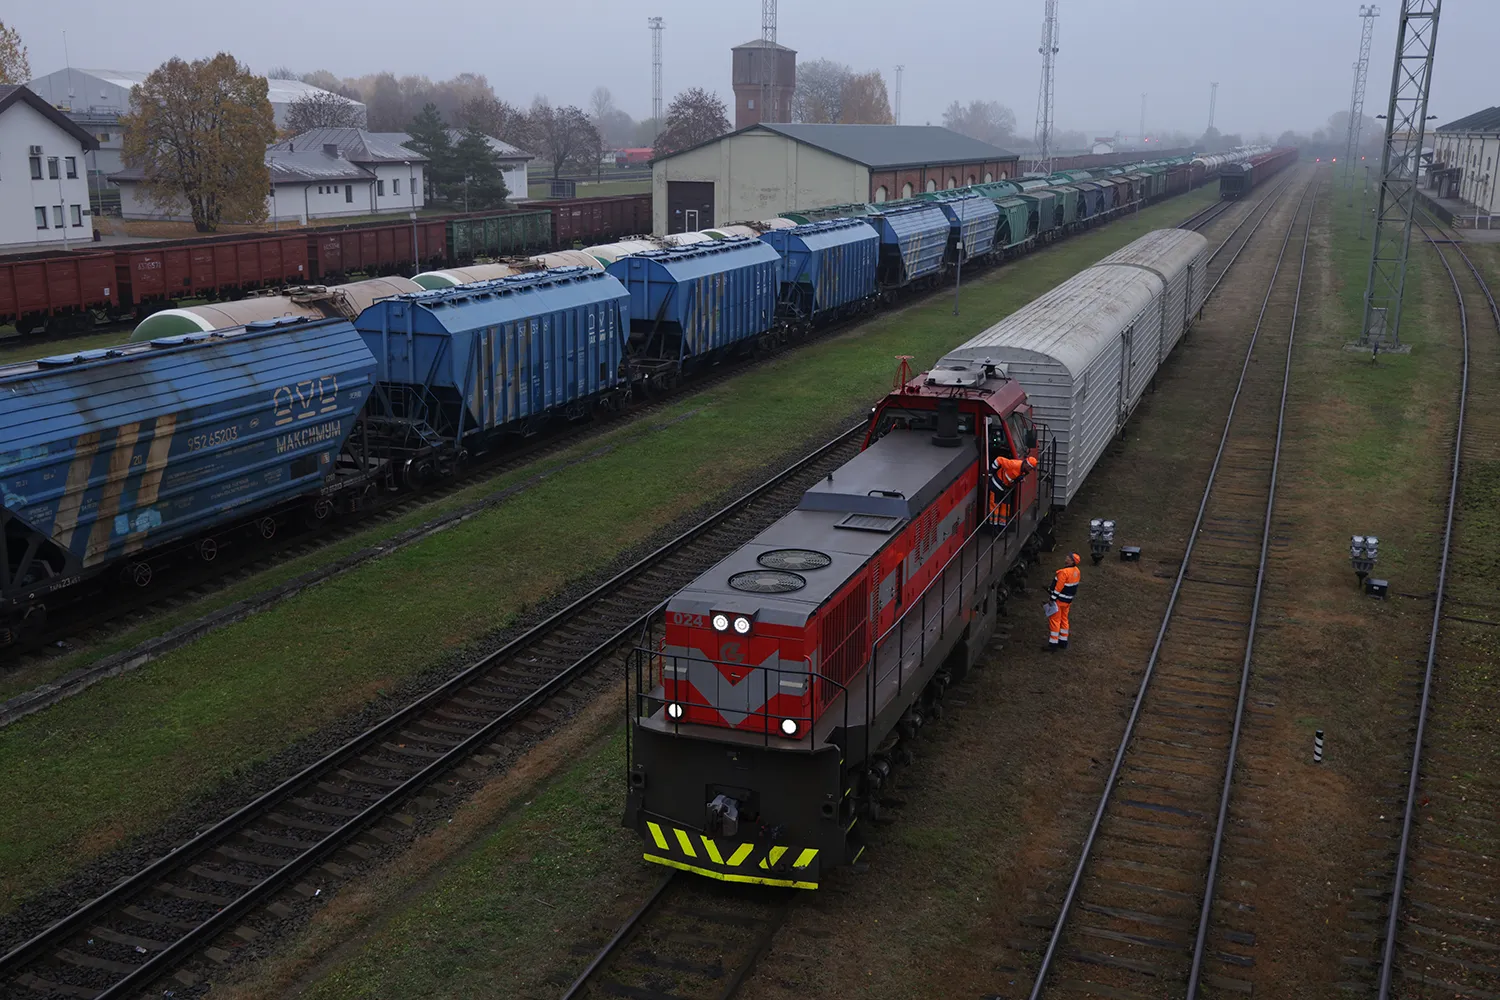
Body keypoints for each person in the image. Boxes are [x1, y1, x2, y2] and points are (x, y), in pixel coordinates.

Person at [988, 454, 1037, 527]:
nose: (1030, 470)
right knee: (994, 507)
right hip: (996, 486)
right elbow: (999, 459)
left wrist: (1019, 479)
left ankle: (1002, 526)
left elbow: (1013, 477)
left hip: (1005, 488)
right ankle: (993, 527)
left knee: (1005, 507)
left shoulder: (1023, 471)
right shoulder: (1014, 464)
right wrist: (990, 473)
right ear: (1027, 465)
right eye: (1030, 468)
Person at [1046, 552, 1082, 651]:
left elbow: (1058, 588)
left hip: (1059, 600)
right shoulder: (1077, 571)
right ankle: (1063, 641)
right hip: (1068, 600)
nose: (1066, 558)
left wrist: (1052, 598)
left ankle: (1053, 644)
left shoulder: (1064, 572)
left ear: (1071, 561)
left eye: (1068, 557)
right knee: (1064, 619)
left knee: (1055, 620)